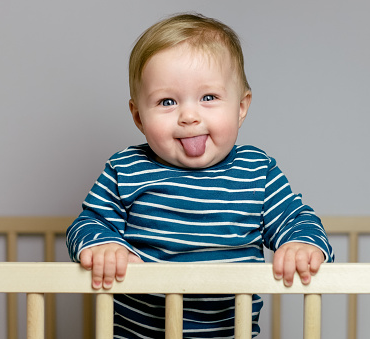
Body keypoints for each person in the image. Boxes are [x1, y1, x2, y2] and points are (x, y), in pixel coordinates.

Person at [66, 12, 334, 338]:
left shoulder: (256, 171)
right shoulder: (126, 168)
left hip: (228, 333)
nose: (189, 116)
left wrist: (300, 243)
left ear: (241, 107)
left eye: (209, 97)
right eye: (167, 101)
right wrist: (104, 245)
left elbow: (296, 219)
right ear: (138, 116)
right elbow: (89, 222)